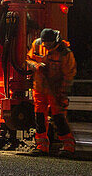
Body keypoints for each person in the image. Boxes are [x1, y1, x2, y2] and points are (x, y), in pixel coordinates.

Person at [22, 28, 77, 156]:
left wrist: (62, 92)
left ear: (55, 41)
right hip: (40, 88)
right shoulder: (37, 44)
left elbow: (69, 75)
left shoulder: (64, 53)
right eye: (45, 43)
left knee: (58, 118)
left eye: (49, 43)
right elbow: (28, 60)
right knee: (40, 117)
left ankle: (69, 146)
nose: (46, 45)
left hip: (56, 90)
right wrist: (36, 65)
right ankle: (42, 146)